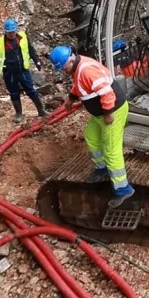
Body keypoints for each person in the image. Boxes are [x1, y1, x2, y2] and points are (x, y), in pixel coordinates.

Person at [49, 45, 133, 207]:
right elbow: (80, 86)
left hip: (112, 111)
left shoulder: (86, 70)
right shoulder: (78, 68)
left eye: (63, 67)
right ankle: (102, 170)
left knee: (111, 150)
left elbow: (106, 92)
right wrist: (70, 99)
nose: (63, 71)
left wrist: (108, 113)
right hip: (100, 114)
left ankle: (123, 189)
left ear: (71, 60)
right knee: (91, 136)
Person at [0, 19, 48, 123]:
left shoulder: (22, 37)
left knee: (31, 90)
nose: (12, 34)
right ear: (5, 31)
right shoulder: (0, 42)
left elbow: (31, 49)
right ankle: (19, 113)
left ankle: (41, 110)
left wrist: (37, 61)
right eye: (10, 32)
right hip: (9, 73)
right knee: (14, 93)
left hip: (22, 70)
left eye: (14, 31)